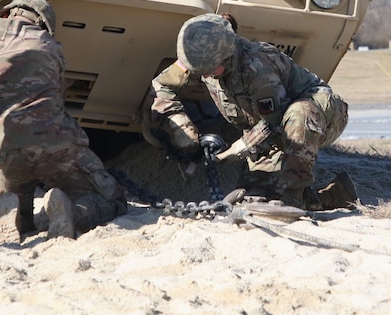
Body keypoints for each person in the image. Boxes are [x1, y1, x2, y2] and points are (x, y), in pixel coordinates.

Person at [0, 0, 128, 243]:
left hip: (2, 147)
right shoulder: (50, 46)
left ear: (4, 14)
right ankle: (76, 213)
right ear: (42, 24)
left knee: (5, 201)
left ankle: (7, 215)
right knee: (109, 198)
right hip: (57, 143)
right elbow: (57, 101)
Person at [151, 13, 357, 210]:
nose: (204, 74)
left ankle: (293, 198)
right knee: (258, 197)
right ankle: (337, 196)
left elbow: (274, 122)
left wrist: (238, 148)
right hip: (271, 130)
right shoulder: (198, 56)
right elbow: (162, 86)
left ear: (226, 57)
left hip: (318, 117)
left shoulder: (257, 68)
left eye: (210, 68)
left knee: (298, 114)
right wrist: (183, 130)